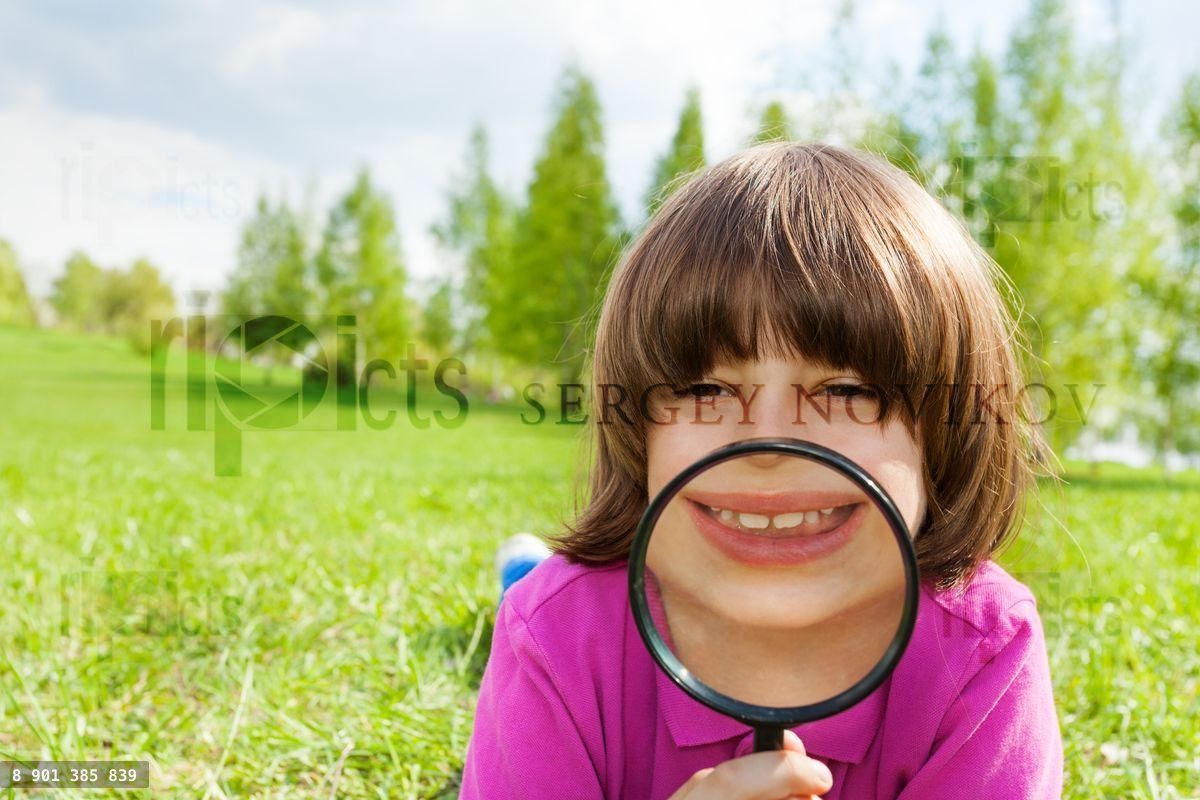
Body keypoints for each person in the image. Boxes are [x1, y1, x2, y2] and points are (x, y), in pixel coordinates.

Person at [463, 142, 1064, 799]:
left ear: (947, 434)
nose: (768, 442)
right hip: (568, 606)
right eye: (705, 390)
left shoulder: (983, 652)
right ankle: (522, 572)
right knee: (544, 590)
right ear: (635, 428)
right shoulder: (554, 637)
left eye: (846, 389)